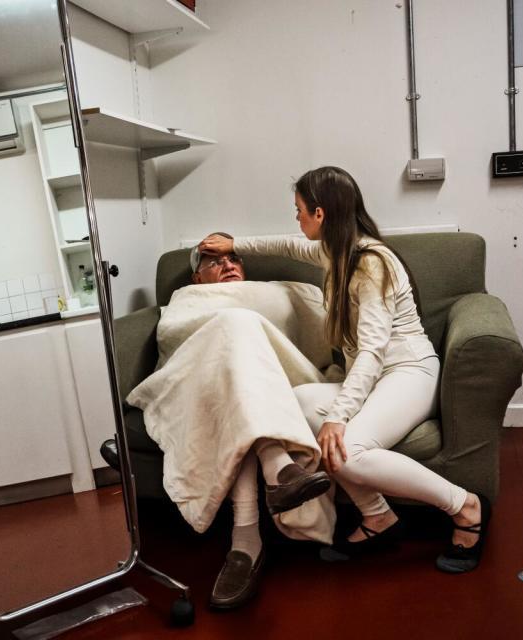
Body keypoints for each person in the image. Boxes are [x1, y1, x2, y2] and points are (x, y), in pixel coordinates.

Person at [198, 167, 491, 573]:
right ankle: (378, 517)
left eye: (299, 210)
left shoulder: (372, 264)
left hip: (408, 372)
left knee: (346, 451)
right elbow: (285, 246)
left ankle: (466, 506)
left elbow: (372, 350)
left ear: (319, 213)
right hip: (375, 377)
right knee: (296, 403)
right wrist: (235, 243)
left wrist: (338, 417)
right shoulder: (335, 252)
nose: (296, 218)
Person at [137, 233, 333, 609]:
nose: (228, 265)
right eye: (214, 262)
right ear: (196, 280)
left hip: (272, 373)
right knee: (232, 353)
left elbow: (308, 331)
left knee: (238, 340)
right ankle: (279, 469)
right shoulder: (186, 301)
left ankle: (245, 542)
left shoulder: (270, 291)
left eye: (234, 260)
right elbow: (175, 338)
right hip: (204, 377)